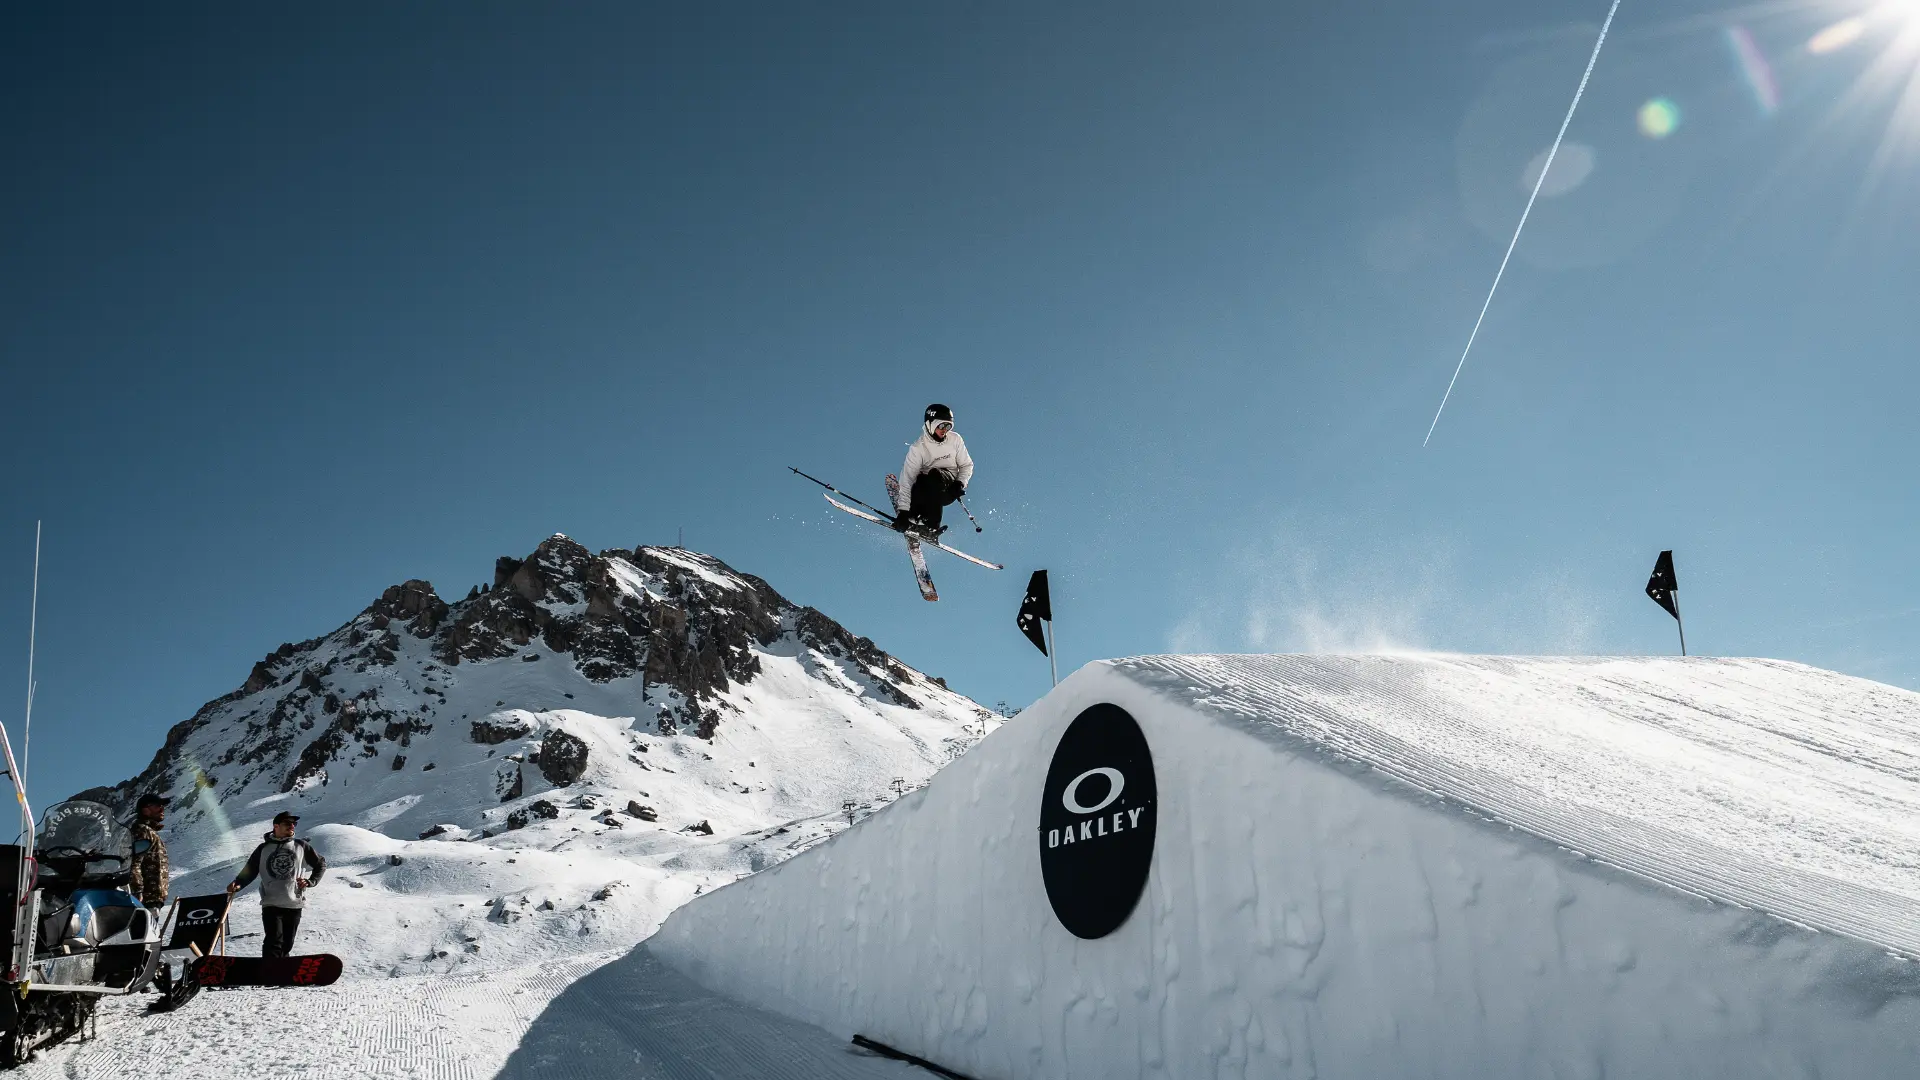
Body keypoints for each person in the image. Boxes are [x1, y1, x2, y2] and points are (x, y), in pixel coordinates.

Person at [227, 810, 326, 959]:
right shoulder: (263, 848)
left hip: (294, 902)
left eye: (294, 824)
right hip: (271, 902)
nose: (292, 826)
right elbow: (250, 870)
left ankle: (280, 975)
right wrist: (238, 883)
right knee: (274, 940)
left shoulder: (301, 846)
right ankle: (268, 973)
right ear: (276, 826)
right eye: (288, 823)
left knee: (287, 943)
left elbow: (320, 864)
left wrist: (311, 881)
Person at [890, 403, 974, 537]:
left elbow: (967, 465)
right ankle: (915, 519)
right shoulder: (918, 449)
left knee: (935, 474)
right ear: (930, 424)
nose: (944, 430)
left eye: (948, 426)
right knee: (920, 479)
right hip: (928, 493)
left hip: (949, 489)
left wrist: (960, 483)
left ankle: (932, 526)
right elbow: (907, 481)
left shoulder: (955, 440)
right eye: (941, 425)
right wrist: (903, 512)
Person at [128, 792, 169, 913]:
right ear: (145, 810)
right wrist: (137, 890)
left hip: (152, 898)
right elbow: (133, 862)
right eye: (157, 806)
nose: (162, 809)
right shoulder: (142, 830)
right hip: (145, 899)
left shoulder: (149, 831)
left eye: (162, 806)